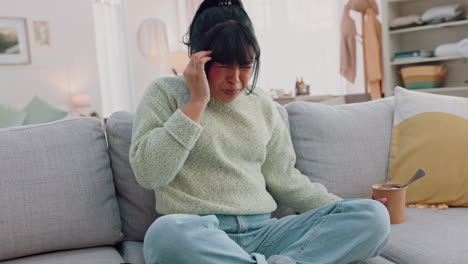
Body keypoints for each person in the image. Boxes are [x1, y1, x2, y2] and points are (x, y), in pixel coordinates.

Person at [129, 0, 390, 263]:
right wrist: (197, 102)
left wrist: (340, 208)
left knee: (373, 217)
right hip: (203, 234)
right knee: (165, 235)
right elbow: (150, 173)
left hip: (266, 234)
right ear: (199, 58)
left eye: (245, 65)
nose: (236, 79)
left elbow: (286, 179)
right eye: (224, 65)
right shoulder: (164, 93)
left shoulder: (262, 104)